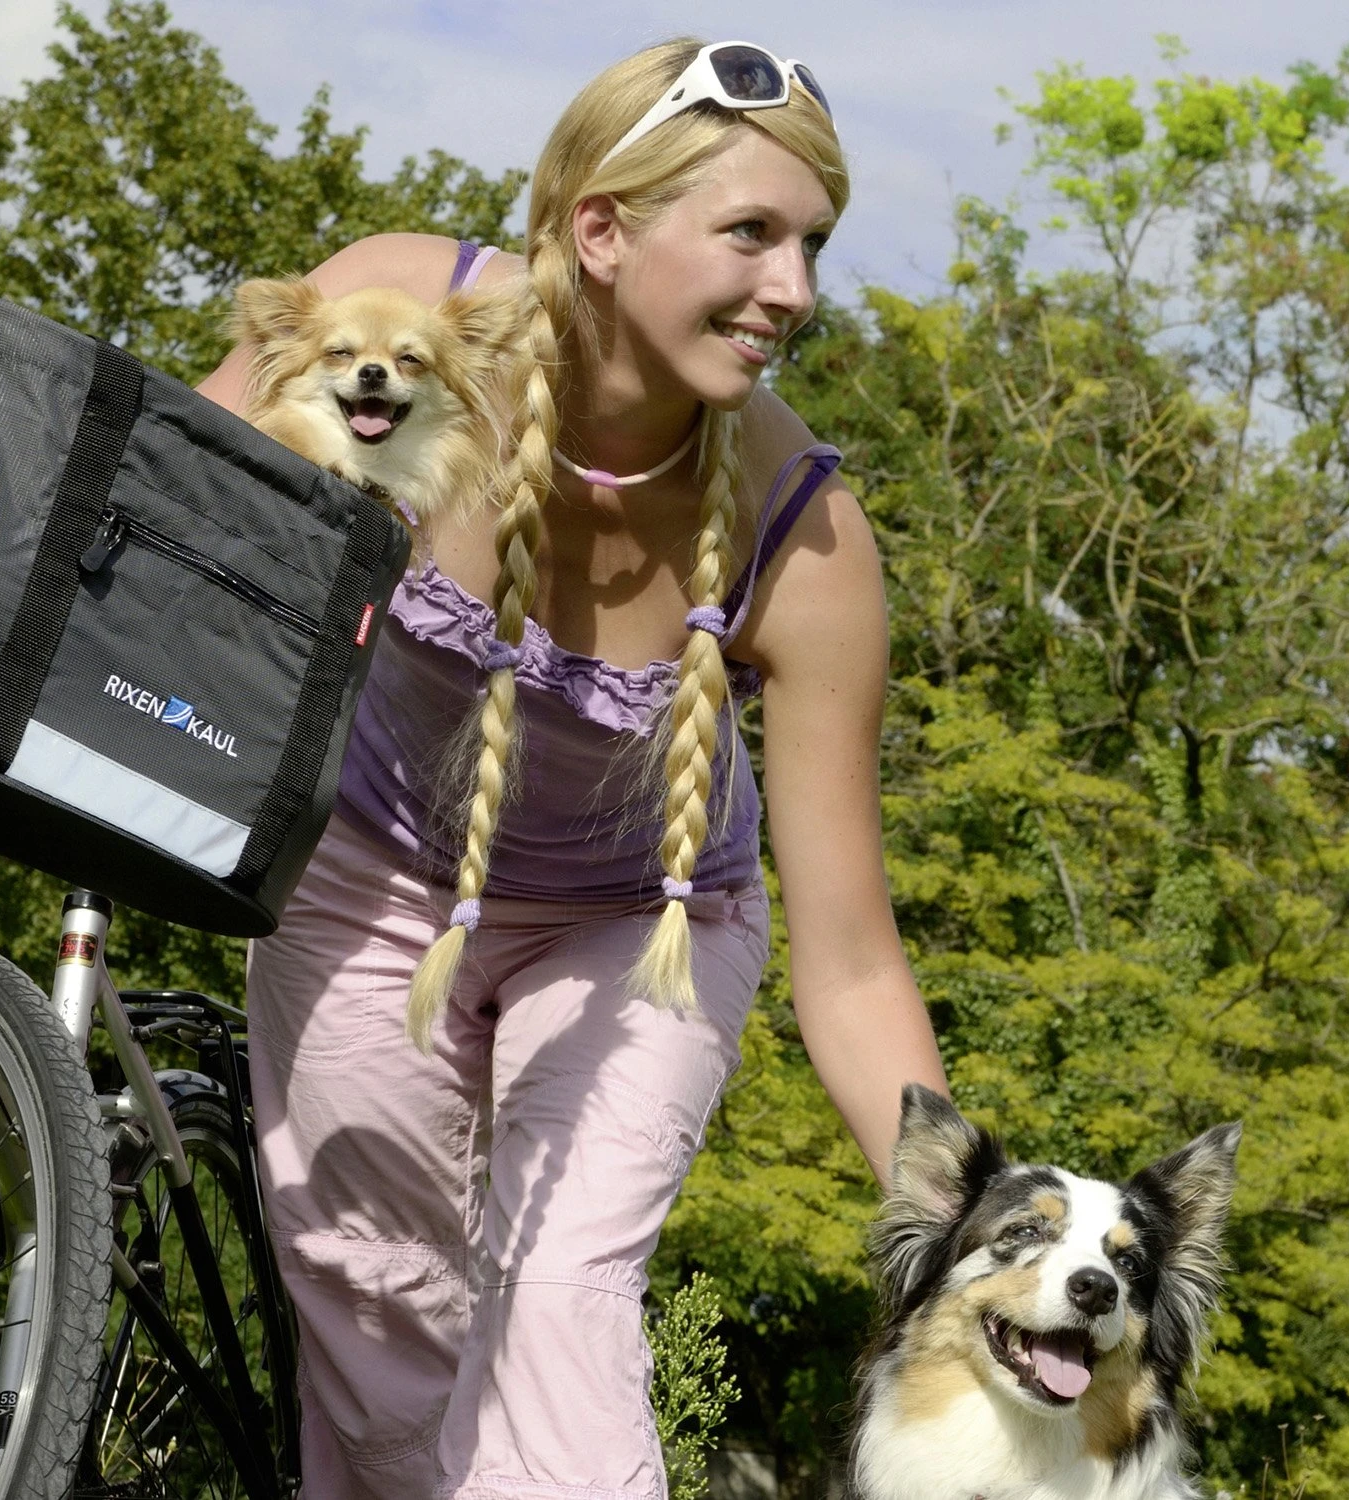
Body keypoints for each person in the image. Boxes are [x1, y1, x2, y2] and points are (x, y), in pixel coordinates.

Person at [198, 36, 948, 1500]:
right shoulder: (394, 325)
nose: (795, 290)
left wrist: (966, 1206)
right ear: (601, 230)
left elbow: (855, 961)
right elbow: (157, 510)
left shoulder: (807, 538)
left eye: (813, 245)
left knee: (557, 1298)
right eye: (752, 232)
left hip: (644, 921)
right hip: (369, 874)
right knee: (377, 1291)